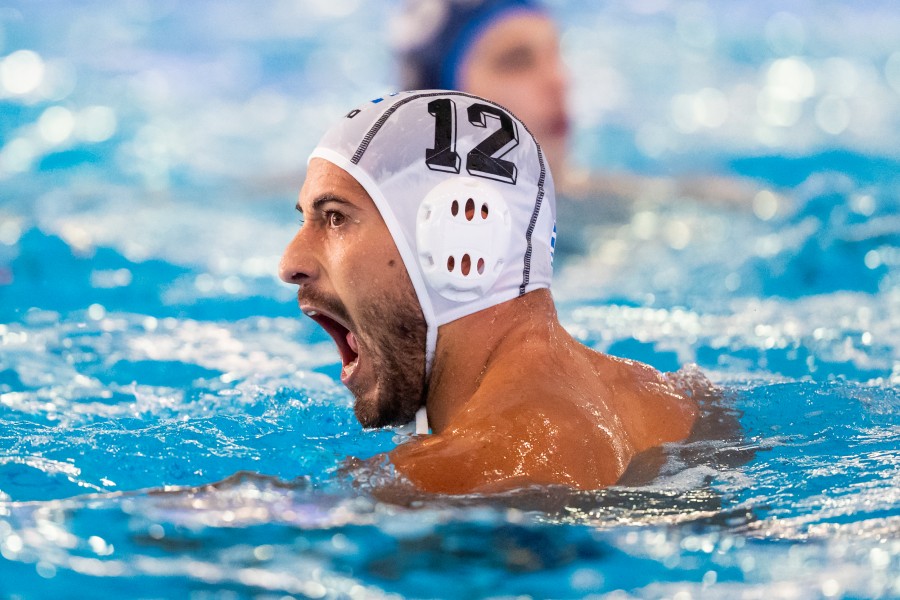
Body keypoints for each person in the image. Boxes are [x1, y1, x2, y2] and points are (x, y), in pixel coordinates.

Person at [279, 91, 700, 494]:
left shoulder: (461, 476)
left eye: (334, 217)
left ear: (458, 234)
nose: (290, 263)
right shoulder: (679, 401)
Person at [391, 0, 761, 209]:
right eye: (516, 61)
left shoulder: (632, 207)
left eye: (555, 53)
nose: (559, 80)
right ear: (439, 108)